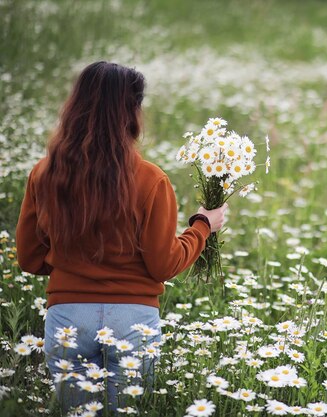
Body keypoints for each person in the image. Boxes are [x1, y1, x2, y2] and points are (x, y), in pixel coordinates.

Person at [15, 61, 228, 415]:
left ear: (76, 106)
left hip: (67, 316)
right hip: (133, 319)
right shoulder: (151, 179)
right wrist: (202, 226)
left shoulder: (45, 174)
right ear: (132, 111)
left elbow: (28, 258)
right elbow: (164, 264)